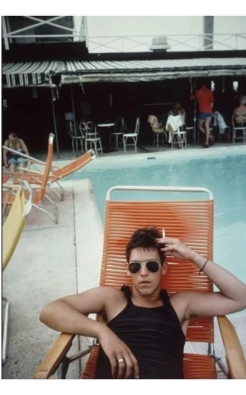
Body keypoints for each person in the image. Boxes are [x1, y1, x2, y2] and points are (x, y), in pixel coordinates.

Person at [40, 227, 246, 379]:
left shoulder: (180, 304)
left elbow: (241, 298)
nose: (144, 273)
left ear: (164, 268)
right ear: (128, 269)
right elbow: (50, 311)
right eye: (135, 267)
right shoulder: (111, 299)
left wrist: (192, 256)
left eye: (153, 265)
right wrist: (103, 332)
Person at [191, 80, 214, 148]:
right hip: (209, 111)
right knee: (207, 126)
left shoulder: (198, 92)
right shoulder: (209, 92)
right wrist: (209, 109)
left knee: (200, 126)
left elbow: (191, 97)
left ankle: (210, 136)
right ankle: (207, 142)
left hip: (203, 110)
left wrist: (193, 89)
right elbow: (212, 103)